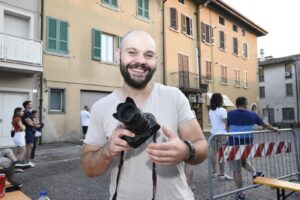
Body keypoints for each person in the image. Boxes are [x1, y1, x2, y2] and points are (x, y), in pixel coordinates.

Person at [81, 30, 208, 200]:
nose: (140, 61)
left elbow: (202, 146)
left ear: (156, 60)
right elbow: (89, 169)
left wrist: (186, 150)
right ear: (118, 55)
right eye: (132, 52)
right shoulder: (101, 108)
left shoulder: (174, 96)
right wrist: (107, 151)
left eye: (148, 55)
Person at [227, 97, 279, 200]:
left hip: (233, 144)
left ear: (237, 104)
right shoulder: (252, 114)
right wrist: (274, 128)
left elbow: (225, 126)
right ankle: (256, 172)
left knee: (237, 170)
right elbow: (264, 124)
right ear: (245, 104)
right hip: (247, 145)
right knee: (244, 162)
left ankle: (240, 193)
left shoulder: (230, 114)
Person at [209, 93, 232, 181]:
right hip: (222, 134)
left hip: (213, 134)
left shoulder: (211, 111)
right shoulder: (223, 110)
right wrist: (228, 132)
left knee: (214, 153)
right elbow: (226, 125)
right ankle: (222, 174)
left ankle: (214, 172)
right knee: (222, 153)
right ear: (220, 100)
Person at [22, 100, 40, 167]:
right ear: (26, 105)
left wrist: (35, 123)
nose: (31, 105)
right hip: (27, 131)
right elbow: (29, 123)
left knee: (30, 146)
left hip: (30, 131)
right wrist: (36, 125)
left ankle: (27, 161)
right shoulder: (25, 113)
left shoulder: (29, 113)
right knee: (29, 146)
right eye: (30, 104)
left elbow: (35, 121)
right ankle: (27, 162)